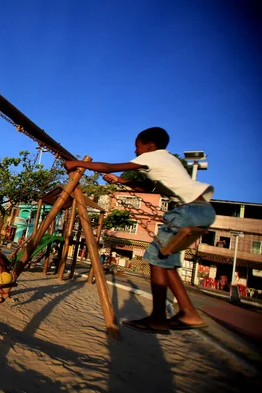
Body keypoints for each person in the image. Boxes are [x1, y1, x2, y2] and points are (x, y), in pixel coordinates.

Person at [64, 127, 215, 334]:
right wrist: (120, 181)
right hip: (204, 211)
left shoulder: (153, 157)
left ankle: (159, 318)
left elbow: (108, 166)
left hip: (188, 210)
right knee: (165, 261)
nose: (135, 151)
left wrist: (78, 163)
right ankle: (187, 312)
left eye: (137, 146)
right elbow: (149, 189)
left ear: (149, 145)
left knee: (156, 256)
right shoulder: (170, 160)